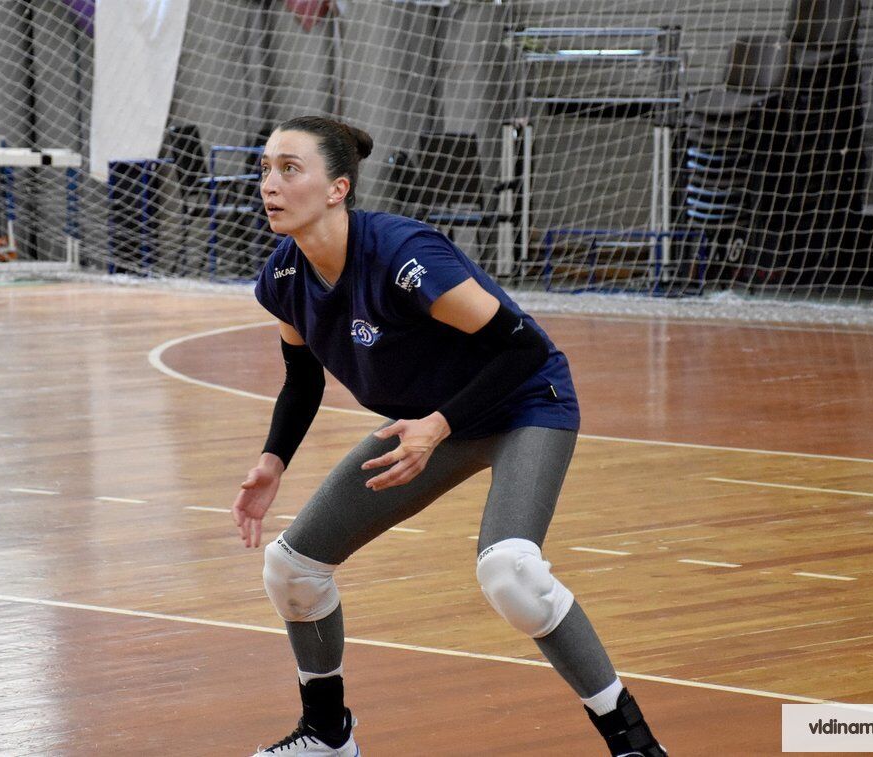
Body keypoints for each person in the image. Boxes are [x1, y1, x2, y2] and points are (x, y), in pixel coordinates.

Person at [232, 115, 666, 757]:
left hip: (523, 403)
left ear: (337, 189)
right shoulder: (285, 277)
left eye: (290, 169)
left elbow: (523, 349)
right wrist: (272, 462)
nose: (270, 183)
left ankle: (635, 745)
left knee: (511, 572)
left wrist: (438, 426)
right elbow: (302, 379)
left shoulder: (404, 256)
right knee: (291, 568)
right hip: (430, 423)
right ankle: (327, 735)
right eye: (266, 168)